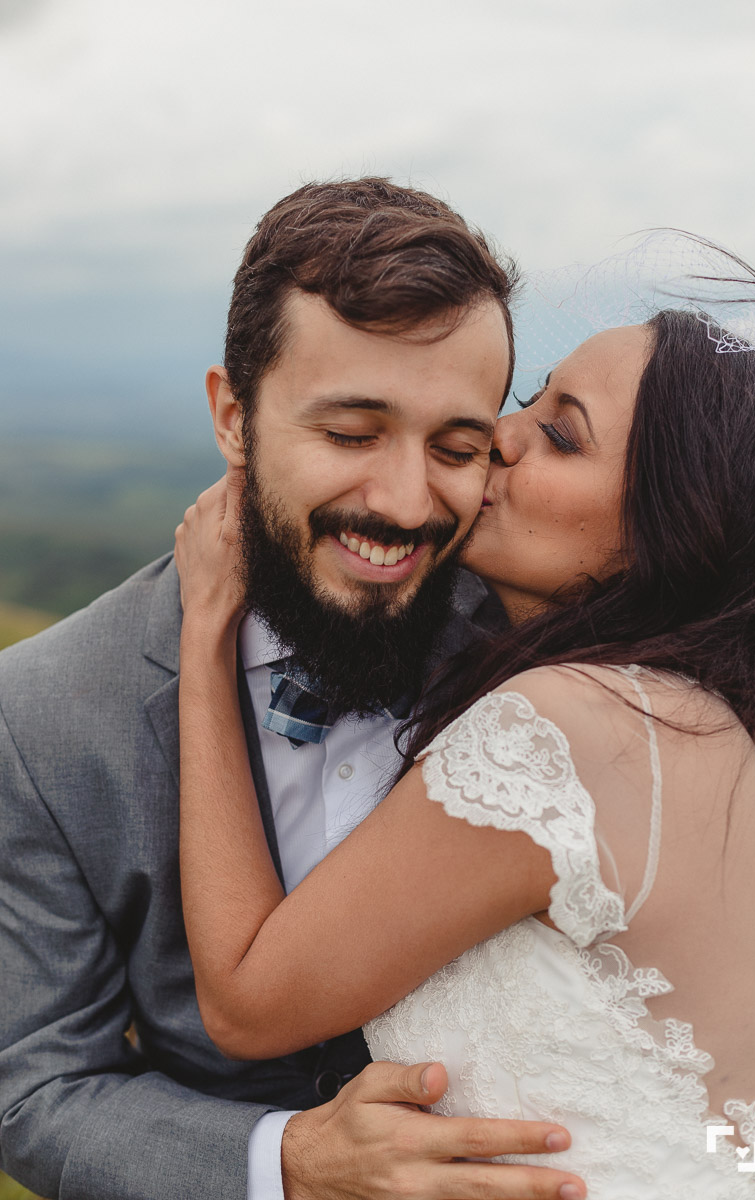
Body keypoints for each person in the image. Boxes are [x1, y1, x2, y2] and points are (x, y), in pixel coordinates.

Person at [0, 178, 586, 1200]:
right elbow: (37, 1090)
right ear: (234, 417)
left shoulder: (555, 647)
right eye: (352, 434)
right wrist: (287, 1165)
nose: (404, 502)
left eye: (455, 446)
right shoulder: (42, 713)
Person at [173, 281, 755, 1197]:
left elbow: (245, 1000)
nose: (499, 433)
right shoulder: (736, 728)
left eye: (562, 432)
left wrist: (205, 634)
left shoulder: (561, 732)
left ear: (670, 530)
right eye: (534, 397)